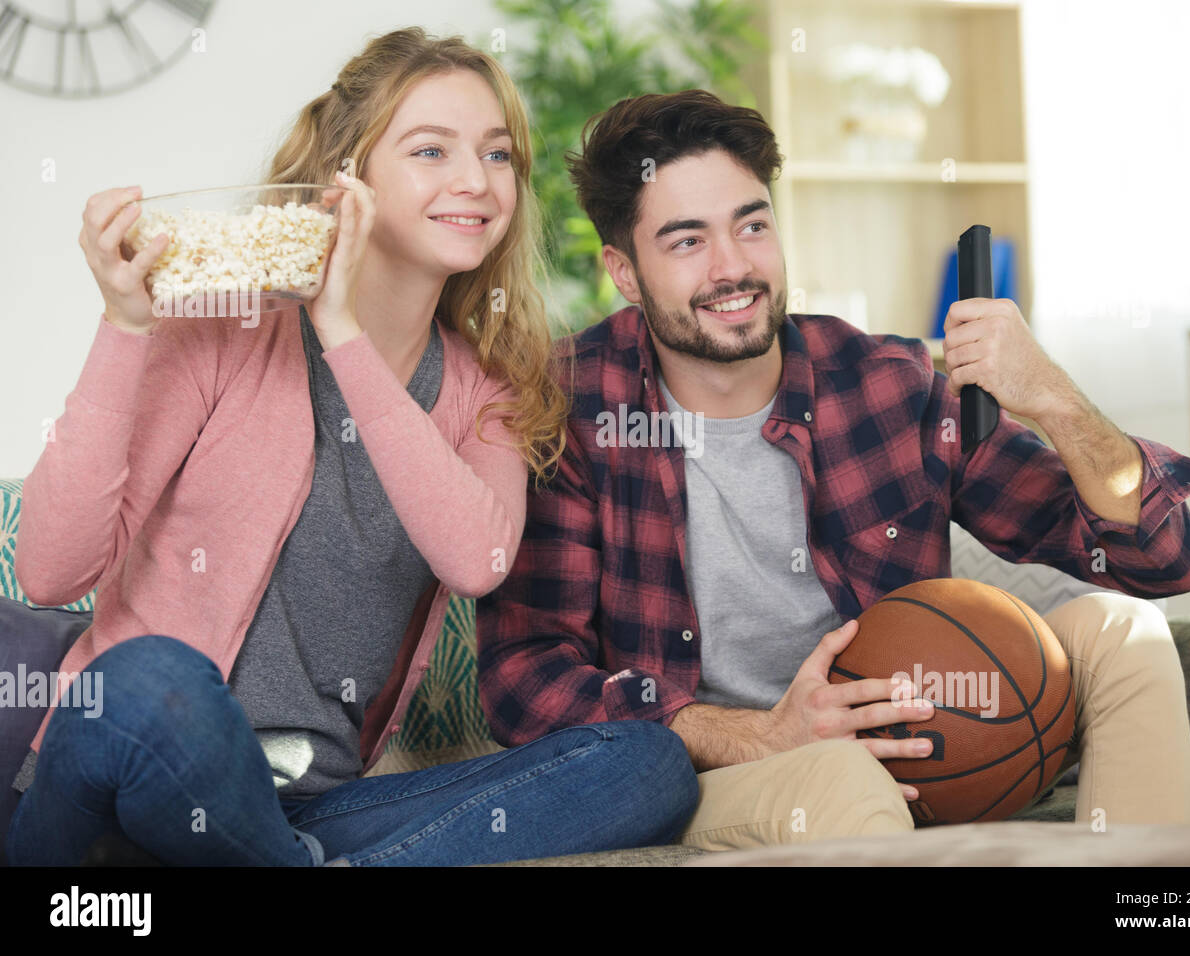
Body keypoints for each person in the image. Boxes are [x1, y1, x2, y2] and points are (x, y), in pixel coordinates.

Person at [4, 29, 697, 867]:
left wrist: (343, 332)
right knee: (150, 678)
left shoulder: (490, 390)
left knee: (646, 762)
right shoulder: (222, 328)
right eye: (431, 150)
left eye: (498, 154)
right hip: (127, 773)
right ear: (348, 178)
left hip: (310, 808)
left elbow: (475, 560)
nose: (476, 181)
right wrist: (124, 326)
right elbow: (50, 572)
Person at [475, 89, 1190, 850]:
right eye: (687, 241)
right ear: (625, 272)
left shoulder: (888, 385)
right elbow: (522, 676)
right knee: (843, 778)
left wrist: (1054, 398)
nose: (734, 267)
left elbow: (1163, 561)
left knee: (1127, 633)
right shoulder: (571, 408)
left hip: (926, 727)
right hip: (731, 770)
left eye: (752, 225)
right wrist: (755, 735)